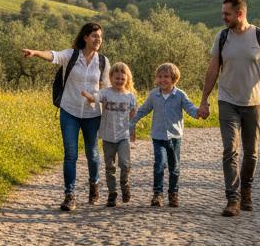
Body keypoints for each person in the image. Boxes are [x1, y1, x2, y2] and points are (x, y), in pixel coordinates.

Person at [197, 0, 260, 217]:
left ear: (240, 14)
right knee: (230, 151)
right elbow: (212, 70)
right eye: (223, 13)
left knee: (251, 154)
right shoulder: (222, 37)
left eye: (227, 14)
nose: (223, 17)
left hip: (255, 103)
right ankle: (232, 198)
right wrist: (204, 99)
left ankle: (246, 190)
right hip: (227, 101)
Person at [22, 22, 109, 211]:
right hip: (69, 110)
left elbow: (105, 89)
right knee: (70, 154)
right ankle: (70, 195)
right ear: (85, 37)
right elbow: (54, 56)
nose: (98, 39)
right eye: (94, 36)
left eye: (100, 36)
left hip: (92, 113)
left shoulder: (103, 61)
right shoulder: (71, 55)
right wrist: (36, 53)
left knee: (92, 153)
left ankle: (94, 184)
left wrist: (112, 108)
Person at [133, 62, 199, 208]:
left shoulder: (180, 95)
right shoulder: (154, 95)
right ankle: (158, 194)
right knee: (159, 165)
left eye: (166, 77)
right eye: (160, 76)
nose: (162, 80)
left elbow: (190, 108)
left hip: (175, 137)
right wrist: (132, 121)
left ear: (174, 79)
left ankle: (173, 193)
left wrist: (199, 113)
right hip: (158, 136)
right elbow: (143, 109)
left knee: (174, 167)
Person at [82, 62, 138, 207]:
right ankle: (112, 193)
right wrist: (86, 94)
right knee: (109, 167)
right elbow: (95, 97)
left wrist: (133, 134)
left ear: (127, 80)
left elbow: (133, 117)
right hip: (108, 136)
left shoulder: (130, 97)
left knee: (125, 164)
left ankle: (125, 184)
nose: (119, 81)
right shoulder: (106, 93)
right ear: (111, 78)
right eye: (116, 78)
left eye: (122, 79)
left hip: (123, 136)